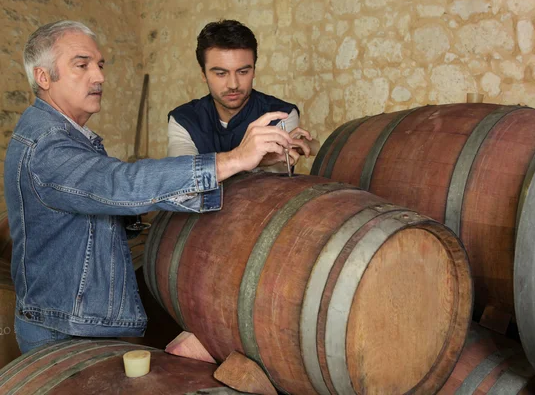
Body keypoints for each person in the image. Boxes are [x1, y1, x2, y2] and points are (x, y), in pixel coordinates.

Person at [4, 20, 295, 353]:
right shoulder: (48, 145)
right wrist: (234, 160)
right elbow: (121, 183)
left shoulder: (65, 136)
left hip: (71, 319)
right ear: (43, 77)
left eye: (99, 65)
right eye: (81, 65)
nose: (99, 76)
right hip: (63, 328)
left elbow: (90, 213)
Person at [167, 19, 312, 169]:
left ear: (254, 70)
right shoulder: (183, 120)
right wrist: (246, 158)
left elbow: (271, 189)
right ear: (203, 74)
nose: (233, 85)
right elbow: (184, 181)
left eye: (243, 72)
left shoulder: (281, 116)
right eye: (221, 73)